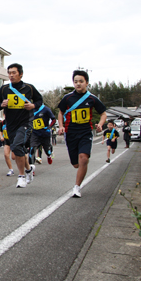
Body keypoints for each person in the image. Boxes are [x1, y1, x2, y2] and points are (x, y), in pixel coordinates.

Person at [58, 70, 107, 198]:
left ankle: (77, 187)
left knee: (84, 159)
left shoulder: (92, 98)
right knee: (76, 164)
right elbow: (61, 112)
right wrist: (61, 126)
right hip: (71, 133)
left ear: (87, 83)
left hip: (85, 132)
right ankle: (78, 173)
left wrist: (101, 124)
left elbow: (103, 113)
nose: (78, 84)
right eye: (75, 81)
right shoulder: (67, 98)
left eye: (81, 81)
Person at [0, 63, 42, 189]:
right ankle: (29, 169)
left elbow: (39, 100)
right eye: (9, 73)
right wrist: (2, 104)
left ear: (20, 74)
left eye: (14, 72)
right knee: (17, 149)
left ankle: (21, 176)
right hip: (11, 124)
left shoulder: (29, 88)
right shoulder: (4, 89)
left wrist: (33, 106)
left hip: (26, 123)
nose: (11, 75)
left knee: (16, 146)